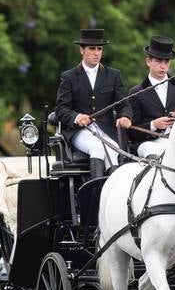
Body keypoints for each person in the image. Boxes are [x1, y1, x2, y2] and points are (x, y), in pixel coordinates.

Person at [54, 27, 133, 180]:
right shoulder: (69, 77)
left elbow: (124, 104)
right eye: (92, 49)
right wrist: (77, 117)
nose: (97, 53)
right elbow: (61, 110)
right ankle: (96, 194)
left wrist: (125, 117)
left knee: (113, 150)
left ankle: (112, 194)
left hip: (107, 129)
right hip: (78, 131)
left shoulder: (113, 75)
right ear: (81, 50)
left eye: (99, 49)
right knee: (97, 147)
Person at [129, 35, 175, 158]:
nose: (163, 66)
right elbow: (131, 132)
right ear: (148, 61)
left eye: (166, 62)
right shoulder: (136, 92)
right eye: (158, 61)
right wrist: (153, 125)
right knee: (157, 154)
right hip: (148, 143)